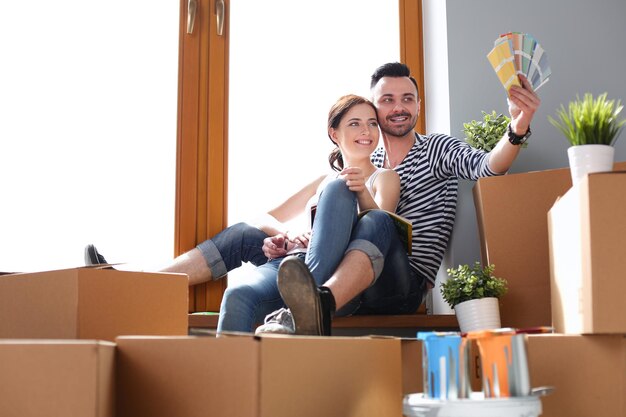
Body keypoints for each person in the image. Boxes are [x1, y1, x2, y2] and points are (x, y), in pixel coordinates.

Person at [256, 62, 540, 336]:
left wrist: (517, 127)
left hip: (401, 283)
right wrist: (292, 238)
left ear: (418, 105)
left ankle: (311, 305)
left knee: (378, 219)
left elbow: (490, 166)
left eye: (407, 99)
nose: (399, 107)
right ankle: (313, 302)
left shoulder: (436, 149)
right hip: (351, 283)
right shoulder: (369, 161)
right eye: (388, 100)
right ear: (374, 109)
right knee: (256, 236)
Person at [87, 94, 401, 334]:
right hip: (299, 262)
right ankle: (139, 288)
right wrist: (288, 235)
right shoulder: (321, 181)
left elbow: (382, 226)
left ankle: (304, 307)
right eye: (355, 123)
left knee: (339, 187)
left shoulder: (383, 177)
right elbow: (261, 216)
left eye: (372, 123)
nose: (367, 130)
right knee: (238, 290)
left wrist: (360, 191)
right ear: (334, 133)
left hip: (341, 282)